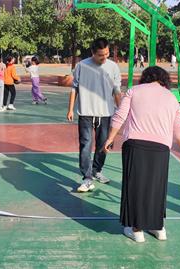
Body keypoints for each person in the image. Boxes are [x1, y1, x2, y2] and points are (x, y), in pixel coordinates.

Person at [103, 66, 180, 243]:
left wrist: (110, 138)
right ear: (164, 79)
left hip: (135, 145)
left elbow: (119, 116)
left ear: (145, 77)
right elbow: (179, 128)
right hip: (161, 149)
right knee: (156, 189)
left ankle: (136, 230)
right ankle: (158, 227)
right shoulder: (171, 97)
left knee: (134, 187)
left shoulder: (134, 91)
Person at [67, 37, 122, 193]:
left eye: (106, 54)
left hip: (106, 114)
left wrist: (121, 110)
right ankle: (87, 178)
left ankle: (97, 170)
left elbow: (117, 91)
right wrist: (70, 109)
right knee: (85, 146)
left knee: (103, 146)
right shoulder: (81, 66)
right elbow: (74, 89)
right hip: (85, 113)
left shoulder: (113, 67)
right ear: (92, 52)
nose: (104, 57)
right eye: (100, 55)